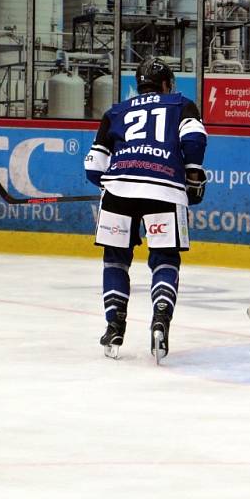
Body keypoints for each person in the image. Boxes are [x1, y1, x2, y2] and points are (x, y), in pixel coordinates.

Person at [84, 57, 208, 360]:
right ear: (166, 84)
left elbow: (92, 165)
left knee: (115, 260)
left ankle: (114, 326)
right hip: (164, 190)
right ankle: (160, 320)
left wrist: (108, 185)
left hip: (118, 190)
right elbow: (194, 138)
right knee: (165, 258)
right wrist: (192, 171)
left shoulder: (115, 111)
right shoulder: (181, 104)